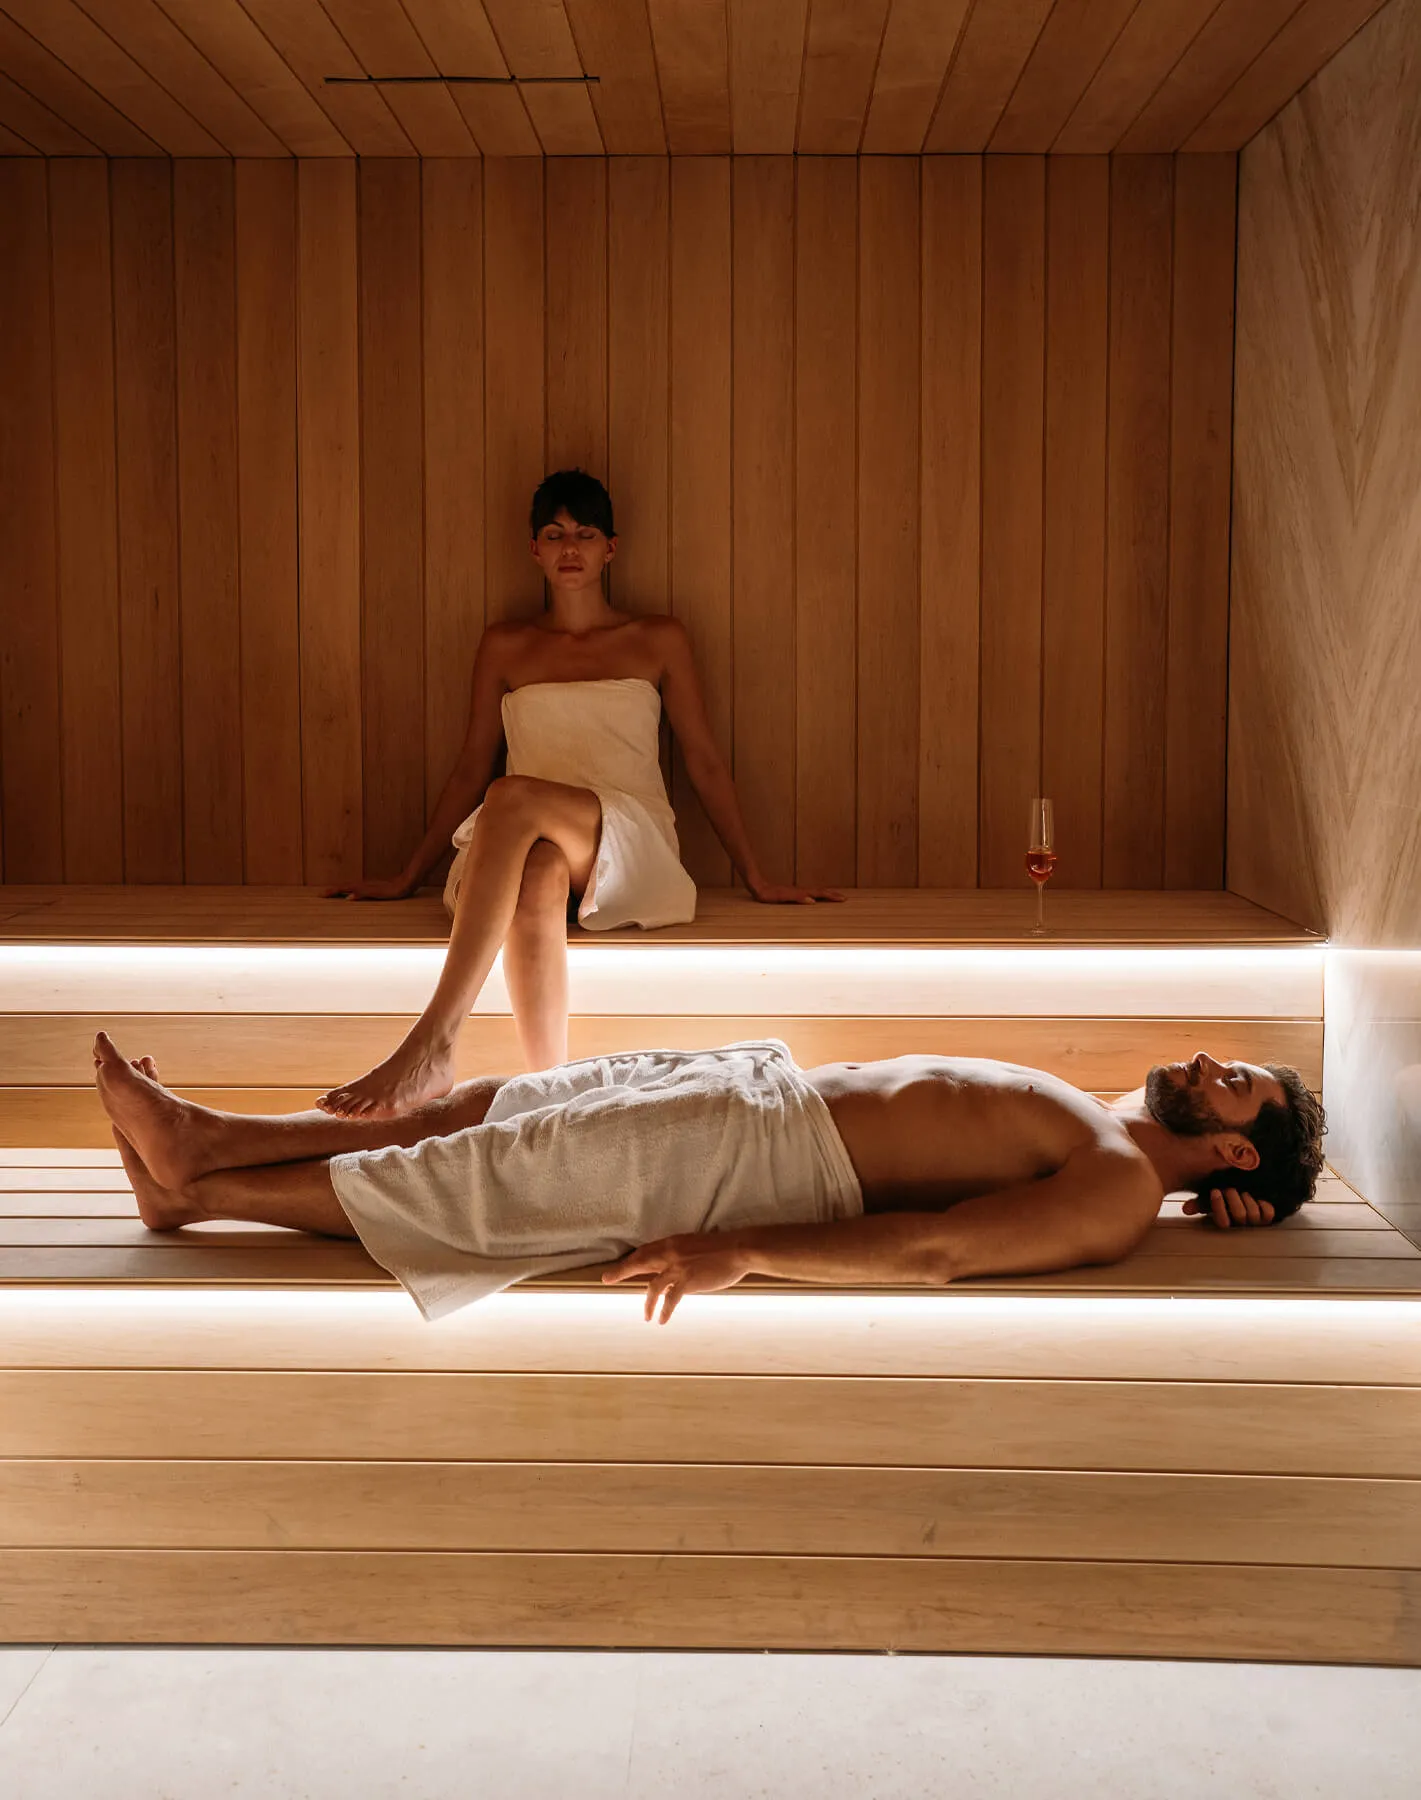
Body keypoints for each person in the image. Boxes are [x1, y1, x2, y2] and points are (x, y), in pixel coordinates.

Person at [93, 1033, 1325, 1326]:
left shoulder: (1112, 1190)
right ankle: (208, 1135)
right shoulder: (1109, 1126)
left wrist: (742, 1248)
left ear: (1228, 1150)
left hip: (765, 1161)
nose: (1212, 1064)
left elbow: (938, 1248)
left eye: (1238, 1091)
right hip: (756, 1090)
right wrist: (1240, 1209)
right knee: (485, 1108)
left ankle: (197, 1187)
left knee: (487, 1174)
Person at [321, 469, 840, 1120]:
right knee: (533, 871)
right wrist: (405, 876)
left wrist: (757, 877)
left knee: (508, 796)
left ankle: (434, 1041)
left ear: (609, 549)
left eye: (586, 533)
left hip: (627, 838)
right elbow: (466, 769)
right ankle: (553, 1102)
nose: (570, 547)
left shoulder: (657, 640)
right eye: (554, 533)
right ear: (533, 549)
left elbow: (704, 762)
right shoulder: (506, 644)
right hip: (530, 841)